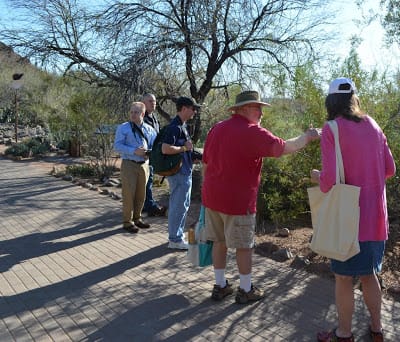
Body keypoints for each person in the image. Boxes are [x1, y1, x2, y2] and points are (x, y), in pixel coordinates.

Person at [201, 90, 321, 304]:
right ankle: (245, 290)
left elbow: (205, 162)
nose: (261, 113)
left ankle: (220, 286)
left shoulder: (217, 128)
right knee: (244, 246)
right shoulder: (252, 131)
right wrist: (308, 136)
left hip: (213, 197)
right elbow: (284, 147)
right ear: (245, 108)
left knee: (219, 242)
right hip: (238, 201)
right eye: (258, 108)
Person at [310, 78, 396, 342]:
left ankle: (344, 334)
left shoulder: (331, 129)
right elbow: (390, 170)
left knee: (343, 279)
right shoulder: (373, 125)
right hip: (376, 218)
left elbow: (330, 181)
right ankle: (377, 329)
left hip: (348, 219)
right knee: (370, 275)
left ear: (331, 101)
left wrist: (316, 176)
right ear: (353, 98)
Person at [161, 96, 201, 249]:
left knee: (180, 205)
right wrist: (185, 148)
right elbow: (165, 148)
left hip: (183, 171)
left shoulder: (181, 126)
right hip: (179, 173)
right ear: (184, 109)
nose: (195, 112)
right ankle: (175, 240)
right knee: (179, 206)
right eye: (193, 109)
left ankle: (176, 235)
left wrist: (192, 155)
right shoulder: (175, 127)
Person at [114, 101, 157, 233]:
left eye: (136, 112)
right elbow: (117, 146)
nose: (133, 114)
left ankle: (137, 219)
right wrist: (134, 151)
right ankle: (127, 222)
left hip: (144, 165)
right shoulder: (123, 128)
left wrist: (148, 154)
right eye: (131, 112)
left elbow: (154, 146)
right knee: (128, 194)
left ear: (143, 114)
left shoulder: (150, 129)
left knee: (141, 194)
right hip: (129, 164)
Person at [141, 93, 167, 217]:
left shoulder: (154, 118)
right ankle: (151, 206)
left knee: (148, 181)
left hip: (154, 155)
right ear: (143, 103)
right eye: (150, 101)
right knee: (147, 181)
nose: (153, 103)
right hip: (144, 156)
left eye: (154, 101)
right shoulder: (140, 118)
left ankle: (145, 205)